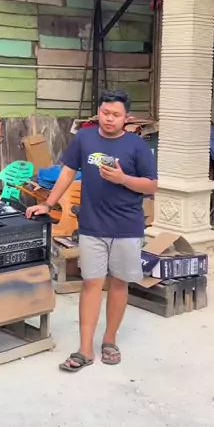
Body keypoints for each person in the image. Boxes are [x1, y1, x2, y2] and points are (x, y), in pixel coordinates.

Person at [26, 89, 157, 373]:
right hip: (92, 225)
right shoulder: (84, 138)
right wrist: (47, 204)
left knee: (119, 283)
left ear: (126, 118)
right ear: (98, 112)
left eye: (116, 115)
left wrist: (123, 179)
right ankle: (85, 348)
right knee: (91, 283)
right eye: (105, 112)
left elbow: (151, 185)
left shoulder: (136, 145)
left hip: (127, 227)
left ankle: (109, 340)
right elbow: (67, 173)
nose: (110, 118)